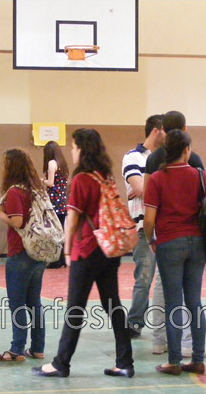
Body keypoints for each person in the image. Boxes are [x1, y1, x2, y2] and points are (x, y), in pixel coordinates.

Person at [33, 128, 134, 378]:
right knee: (113, 305)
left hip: (86, 250)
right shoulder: (105, 176)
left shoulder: (81, 180)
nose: (72, 151)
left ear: (82, 150)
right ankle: (125, 362)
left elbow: (72, 219)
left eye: (74, 147)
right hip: (108, 249)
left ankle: (61, 363)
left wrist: (67, 251)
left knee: (75, 309)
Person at [143, 111, 206, 358]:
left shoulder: (156, 178)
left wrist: (150, 239)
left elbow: (149, 218)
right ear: (186, 150)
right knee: (194, 301)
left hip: (168, 242)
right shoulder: (199, 174)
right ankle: (198, 356)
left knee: (172, 302)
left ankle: (174, 359)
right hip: (196, 242)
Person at [0, 149, 47, 362]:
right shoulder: (37, 190)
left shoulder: (15, 192)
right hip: (38, 252)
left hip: (21, 251)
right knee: (34, 302)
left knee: (17, 303)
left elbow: (17, 221)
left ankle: (17, 348)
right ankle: (38, 347)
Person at [122, 114, 164, 339]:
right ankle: (135, 323)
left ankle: (166, 323)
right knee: (144, 278)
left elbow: (144, 190)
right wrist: (154, 191)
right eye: (166, 130)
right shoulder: (132, 157)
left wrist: (147, 190)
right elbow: (139, 189)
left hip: (166, 227)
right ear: (156, 131)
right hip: (142, 226)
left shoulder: (167, 157)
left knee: (167, 280)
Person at [42, 140, 69, 268]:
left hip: (54, 201)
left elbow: (51, 183)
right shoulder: (62, 163)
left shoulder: (51, 163)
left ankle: (55, 260)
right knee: (60, 231)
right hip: (62, 201)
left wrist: (41, 180)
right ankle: (62, 259)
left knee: (53, 232)